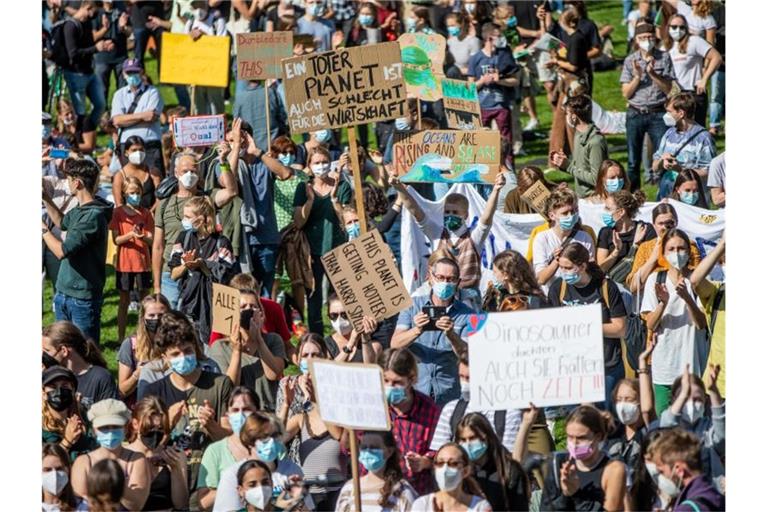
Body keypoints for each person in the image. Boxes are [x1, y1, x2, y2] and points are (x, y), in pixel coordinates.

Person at [137, 310, 234, 493]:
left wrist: (211, 425)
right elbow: (146, 452)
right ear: (164, 357)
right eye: (175, 354)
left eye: (187, 351)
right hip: (168, 485)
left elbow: (231, 442)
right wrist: (169, 425)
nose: (182, 357)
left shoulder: (220, 384)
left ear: (195, 349)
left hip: (212, 482)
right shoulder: (153, 392)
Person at [393, 173, 505, 299]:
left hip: (468, 301)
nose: (450, 215)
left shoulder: (474, 237)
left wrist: (496, 190)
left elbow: (486, 218)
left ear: (466, 215)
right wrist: (398, 188)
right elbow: (415, 210)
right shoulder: (436, 234)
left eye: (455, 212)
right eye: (447, 212)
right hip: (440, 298)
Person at [153, 150, 237, 307]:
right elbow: (157, 246)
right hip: (171, 272)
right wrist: (157, 285)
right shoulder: (164, 204)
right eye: (185, 171)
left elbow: (231, 191)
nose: (189, 175)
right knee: (171, 320)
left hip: (201, 271)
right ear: (176, 173)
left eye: (193, 171)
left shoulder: (207, 199)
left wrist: (224, 161)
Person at [42, 159, 114, 344]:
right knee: (64, 350)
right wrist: (45, 198)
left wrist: (42, 229)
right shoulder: (82, 209)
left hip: (82, 299)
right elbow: (62, 223)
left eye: (68, 179)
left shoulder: (93, 216)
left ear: (77, 183)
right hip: (63, 292)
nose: (66, 184)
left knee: (86, 353)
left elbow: (61, 251)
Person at [548, 243, 627, 409]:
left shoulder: (606, 287)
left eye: (568, 268)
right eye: (561, 267)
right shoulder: (558, 288)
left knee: (607, 422)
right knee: (577, 421)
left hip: (606, 366)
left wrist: (586, 327)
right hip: (572, 368)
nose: (563, 272)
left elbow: (620, 328)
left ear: (582, 266)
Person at [641, 228, 708, 413]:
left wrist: (687, 298)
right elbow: (650, 324)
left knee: (693, 420)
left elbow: (702, 323)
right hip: (665, 366)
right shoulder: (655, 280)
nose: (677, 254)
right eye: (671, 249)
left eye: (681, 248)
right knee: (665, 422)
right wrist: (663, 303)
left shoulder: (697, 280)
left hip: (693, 362)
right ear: (663, 253)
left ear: (689, 251)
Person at [224, 118, 293, 296]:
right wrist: (235, 149)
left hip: (266, 238)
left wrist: (258, 152)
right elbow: (227, 180)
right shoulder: (226, 163)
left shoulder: (262, 162)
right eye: (231, 141)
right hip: (240, 239)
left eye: (239, 139)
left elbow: (285, 173)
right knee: (243, 292)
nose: (235, 144)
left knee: (266, 292)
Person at [391, 258, 473, 406]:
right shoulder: (412, 306)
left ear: (458, 282)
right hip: (415, 391)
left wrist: (451, 335)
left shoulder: (469, 315)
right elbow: (395, 344)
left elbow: (469, 357)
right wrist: (417, 330)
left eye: (451, 279)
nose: (445, 283)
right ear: (431, 277)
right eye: (440, 278)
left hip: (449, 395)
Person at [293, 146, 352, 335]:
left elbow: (347, 220)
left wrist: (334, 199)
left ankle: (343, 335)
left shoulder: (341, 186)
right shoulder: (303, 188)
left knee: (340, 295)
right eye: (316, 162)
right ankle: (317, 338)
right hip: (312, 251)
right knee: (314, 298)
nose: (321, 166)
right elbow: (298, 221)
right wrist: (310, 201)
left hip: (337, 248)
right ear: (309, 165)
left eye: (324, 162)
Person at [169, 196, 236, 342]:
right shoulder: (183, 238)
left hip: (216, 306)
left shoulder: (221, 243)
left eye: (188, 217)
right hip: (189, 302)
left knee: (215, 346)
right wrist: (186, 265)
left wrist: (203, 265)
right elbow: (174, 274)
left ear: (200, 220)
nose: (184, 220)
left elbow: (228, 278)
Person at [213, 412, 310, 512]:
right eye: (264, 438)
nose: (271, 442)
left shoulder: (292, 470)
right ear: (250, 440)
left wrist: (298, 501)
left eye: (275, 436)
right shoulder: (232, 475)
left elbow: (308, 508)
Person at [282, 364, 348, 510]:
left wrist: (318, 403)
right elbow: (275, 439)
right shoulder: (301, 419)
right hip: (310, 496)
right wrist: (286, 405)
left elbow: (339, 436)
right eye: (309, 377)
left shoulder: (339, 417)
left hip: (337, 493)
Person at [208, 288, 286, 411]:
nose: (248, 310)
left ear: (261, 313)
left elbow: (274, 375)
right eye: (243, 306)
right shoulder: (220, 347)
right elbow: (229, 386)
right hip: (238, 413)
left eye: (253, 306)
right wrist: (237, 350)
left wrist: (259, 340)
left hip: (267, 413)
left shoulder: (273, 340)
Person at [620, 22, 676, 191]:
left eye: (650, 37)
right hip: (635, 112)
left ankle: (664, 193)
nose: (647, 41)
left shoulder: (664, 57)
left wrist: (652, 74)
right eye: (643, 38)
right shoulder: (630, 60)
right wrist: (637, 77)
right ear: (637, 40)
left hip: (657, 113)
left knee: (662, 158)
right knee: (632, 161)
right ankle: (633, 196)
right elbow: (626, 93)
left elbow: (669, 89)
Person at [378, 348, 441, 495]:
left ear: (411, 379)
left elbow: (442, 451)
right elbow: (352, 447)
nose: (389, 387)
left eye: (397, 383)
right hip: (379, 494)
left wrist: (425, 461)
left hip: (417, 493)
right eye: (385, 381)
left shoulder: (429, 410)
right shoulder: (374, 406)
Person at [71, 399, 151, 511]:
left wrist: (105, 482)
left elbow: (136, 504)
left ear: (125, 427)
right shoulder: (83, 462)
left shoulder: (136, 460)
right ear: (94, 430)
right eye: (104, 428)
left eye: (115, 426)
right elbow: (80, 503)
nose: (110, 432)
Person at [541, 405, 626, 511]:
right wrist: (565, 495)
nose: (575, 443)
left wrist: (576, 495)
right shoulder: (558, 464)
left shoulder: (613, 469)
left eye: (581, 438)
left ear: (598, 436)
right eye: (570, 437)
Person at [197, 387, 261, 510]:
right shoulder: (215, 451)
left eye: (247, 409)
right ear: (228, 414)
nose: (241, 415)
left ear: (258, 413)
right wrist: (235, 485)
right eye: (235, 410)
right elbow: (203, 503)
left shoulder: (272, 449)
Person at [109, 176, 154, 342]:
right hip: (125, 264)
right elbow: (116, 240)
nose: (135, 195)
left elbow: (151, 239)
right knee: (124, 301)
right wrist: (130, 235)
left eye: (137, 192)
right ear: (124, 193)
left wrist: (142, 237)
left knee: (145, 301)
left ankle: (145, 335)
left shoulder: (146, 213)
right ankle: (121, 338)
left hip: (143, 263)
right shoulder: (118, 213)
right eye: (131, 193)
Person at [126, 396, 189, 511]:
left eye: (160, 428)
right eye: (149, 428)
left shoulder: (175, 455)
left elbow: (182, 505)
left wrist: (175, 469)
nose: (154, 434)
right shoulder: (123, 455)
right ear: (135, 424)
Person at [659, 365, 725, 476]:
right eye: (686, 399)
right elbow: (666, 427)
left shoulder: (709, 428)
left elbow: (722, 438)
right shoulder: (670, 422)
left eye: (697, 399)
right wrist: (683, 394)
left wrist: (713, 392)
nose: (691, 405)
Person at [455, 413, 529, 511]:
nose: (468, 444)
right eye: (463, 440)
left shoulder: (509, 470)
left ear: (486, 437)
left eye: (472, 438)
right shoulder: (458, 472)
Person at [652, 92, 717, 200]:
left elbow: (708, 172)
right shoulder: (669, 133)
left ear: (681, 113)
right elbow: (654, 166)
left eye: (669, 112)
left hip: (693, 198)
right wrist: (662, 160)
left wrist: (680, 169)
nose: (666, 115)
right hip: (667, 195)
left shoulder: (703, 138)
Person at [661, 14, 722, 126]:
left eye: (682, 27)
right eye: (674, 27)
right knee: (675, 131)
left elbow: (716, 58)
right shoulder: (665, 47)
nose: (677, 30)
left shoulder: (694, 41)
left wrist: (704, 79)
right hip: (673, 94)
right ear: (668, 27)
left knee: (695, 130)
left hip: (693, 94)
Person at [59, 1, 113, 127]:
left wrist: (104, 43)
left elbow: (90, 44)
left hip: (90, 72)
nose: (96, 14)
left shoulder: (87, 23)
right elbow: (73, 54)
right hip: (76, 74)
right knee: (80, 112)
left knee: (100, 105)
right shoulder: (70, 26)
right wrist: (96, 48)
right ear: (88, 8)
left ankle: (89, 131)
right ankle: (82, 136)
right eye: (95, 10)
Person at [626, 203, 701, 294]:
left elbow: (698, 281)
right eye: (661, 223)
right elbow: (633, 287)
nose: (665, 227)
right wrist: (653, 259)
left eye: (670, 223)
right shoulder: (646, 247)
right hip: (653, 299)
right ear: (654, 225)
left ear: (676, 222)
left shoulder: (689, 246)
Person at [335, 430, 418, 512]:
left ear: (389, 451)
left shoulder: (403, 491)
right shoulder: (351, 488)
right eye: (364, 447)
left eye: (374, 447)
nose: (367, 452)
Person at [43, 321, 117, 412]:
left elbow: (110, 419)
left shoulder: (101, 378)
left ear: (64, 351)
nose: (43, 355)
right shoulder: (49, 376)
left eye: (47, 350)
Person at [110, 58, 165, 178]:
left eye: (135, 72)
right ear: (124, 74)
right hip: (127, 145)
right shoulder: (119, 94)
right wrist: (142, 115)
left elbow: (151, 116)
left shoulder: (153, 92)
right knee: (129, 183)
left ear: (141, 72)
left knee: (155, 180)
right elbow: (117, 121)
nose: (132, 75)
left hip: (150, 144)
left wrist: (126, 119)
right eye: (129, 73)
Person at [532, 187, 595, 291]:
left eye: (574, 211)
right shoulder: (542, 239)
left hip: (579, 294)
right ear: (552, 215)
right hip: (552, 297)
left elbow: (592, 271)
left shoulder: (584, 237)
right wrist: (557, 261)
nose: (571, 216)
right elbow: (541, 280)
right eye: (565, 213)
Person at [467, 22, 520, 144]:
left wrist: (500, 80)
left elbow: (515, 81)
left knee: (505, 140)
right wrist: (482, 81)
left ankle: (507, 162)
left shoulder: (504, 55)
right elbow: (470, 87)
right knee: (482, 141)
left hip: (501, 105)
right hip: (481, 106)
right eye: (499, 35)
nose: (502, 39)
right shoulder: (476, 58)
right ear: (489, 38)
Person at [549, 94, 609, 198]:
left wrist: (569, 166)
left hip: (594, 198)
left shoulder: (595, 142)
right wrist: (563, 163)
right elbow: (581, 168)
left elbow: (596, 179)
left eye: (567, 113)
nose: (566, 117)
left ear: (573, 116)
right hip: (582, 197)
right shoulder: (578, 135)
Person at [650, 428, 725, 511]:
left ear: (679, 470)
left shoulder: (687, 508)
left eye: (662, 471)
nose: (660, 477)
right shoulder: (715, 496)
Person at [116, 293, 170, 404]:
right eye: (151, 315)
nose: (156, 319)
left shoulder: (176, 343)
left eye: (161, 315)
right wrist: (137, 374)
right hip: (140, 406)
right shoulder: (130, 345)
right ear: (143, 318)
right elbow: (121, 391)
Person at [411, 442, 492, 512]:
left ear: (465, 471)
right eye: (440, 463)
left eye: (453, 463)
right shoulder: (422, 505)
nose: (445, 469)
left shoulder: (480, 507)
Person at [42, 366, 97, 461]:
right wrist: (67, 442)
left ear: (73, 392)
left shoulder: (86, 417)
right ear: (43, 394)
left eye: (64, 386)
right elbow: (46, 465)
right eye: (53, 387)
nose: (59, 392)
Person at [596, 189, 652, 274]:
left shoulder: (645, 230)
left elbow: (650, 263)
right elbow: (601, 269)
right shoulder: (605, 232)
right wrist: (616, 250)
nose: (604, 211)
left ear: (621, 212)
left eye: (608, 208)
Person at [184, 6, 227, 115]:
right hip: (195, 72)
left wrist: (204, 36)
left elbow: (222, 47)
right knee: (198, 109)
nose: (199, 9)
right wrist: (189, 37)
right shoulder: (190, 23)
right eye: (195, 4)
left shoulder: (217, 22)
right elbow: (183, 48)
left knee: (216, 109)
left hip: (213, 73)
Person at [323, 294, 381, 363]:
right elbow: (330, 369)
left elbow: (370, 367)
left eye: (344, 315)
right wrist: (350, 344)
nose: (339, 320)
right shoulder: (326, 344)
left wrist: (365, 337)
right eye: (333, 315)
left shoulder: (374, 344)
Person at [92, 0, 131, 101]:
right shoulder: (96, 13)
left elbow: (130, 33)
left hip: (121, 57)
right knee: (101, 90)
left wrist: (123, 28)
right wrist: (105, 29)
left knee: (124, 89)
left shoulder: (121, 10)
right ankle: (102, 113)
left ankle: (122, 112)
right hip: (102, 58)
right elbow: (93, 37)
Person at [112, 135, 160, 209]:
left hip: (151, 215)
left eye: (141, 150)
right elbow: (119, 203)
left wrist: (149, 214)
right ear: (126, 153)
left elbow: (160, 198)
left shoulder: (153, 172)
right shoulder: (120, 176)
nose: (138, 153)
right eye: (134, 150)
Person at [43, 443, 82, 511]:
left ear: (68, 470)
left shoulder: (81, 506)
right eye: (47, 470)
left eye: (59, 469)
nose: (54, 475)